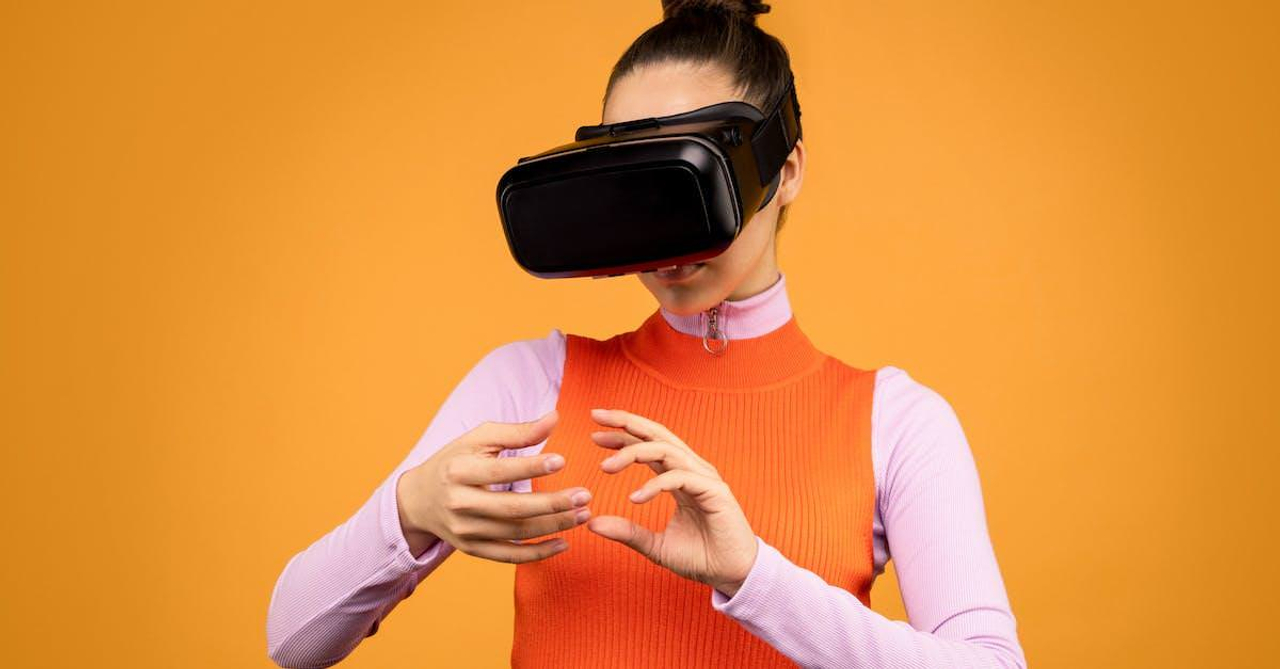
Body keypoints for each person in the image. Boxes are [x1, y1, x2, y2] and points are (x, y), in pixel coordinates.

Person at [266, 1, 1026, 667]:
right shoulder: (530, 383)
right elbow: (293, 640)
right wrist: (407, 509)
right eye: (636, 185)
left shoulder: (896, 421)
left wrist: (754, 575)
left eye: (689, 182)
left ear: (785, 169)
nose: (665, 237)